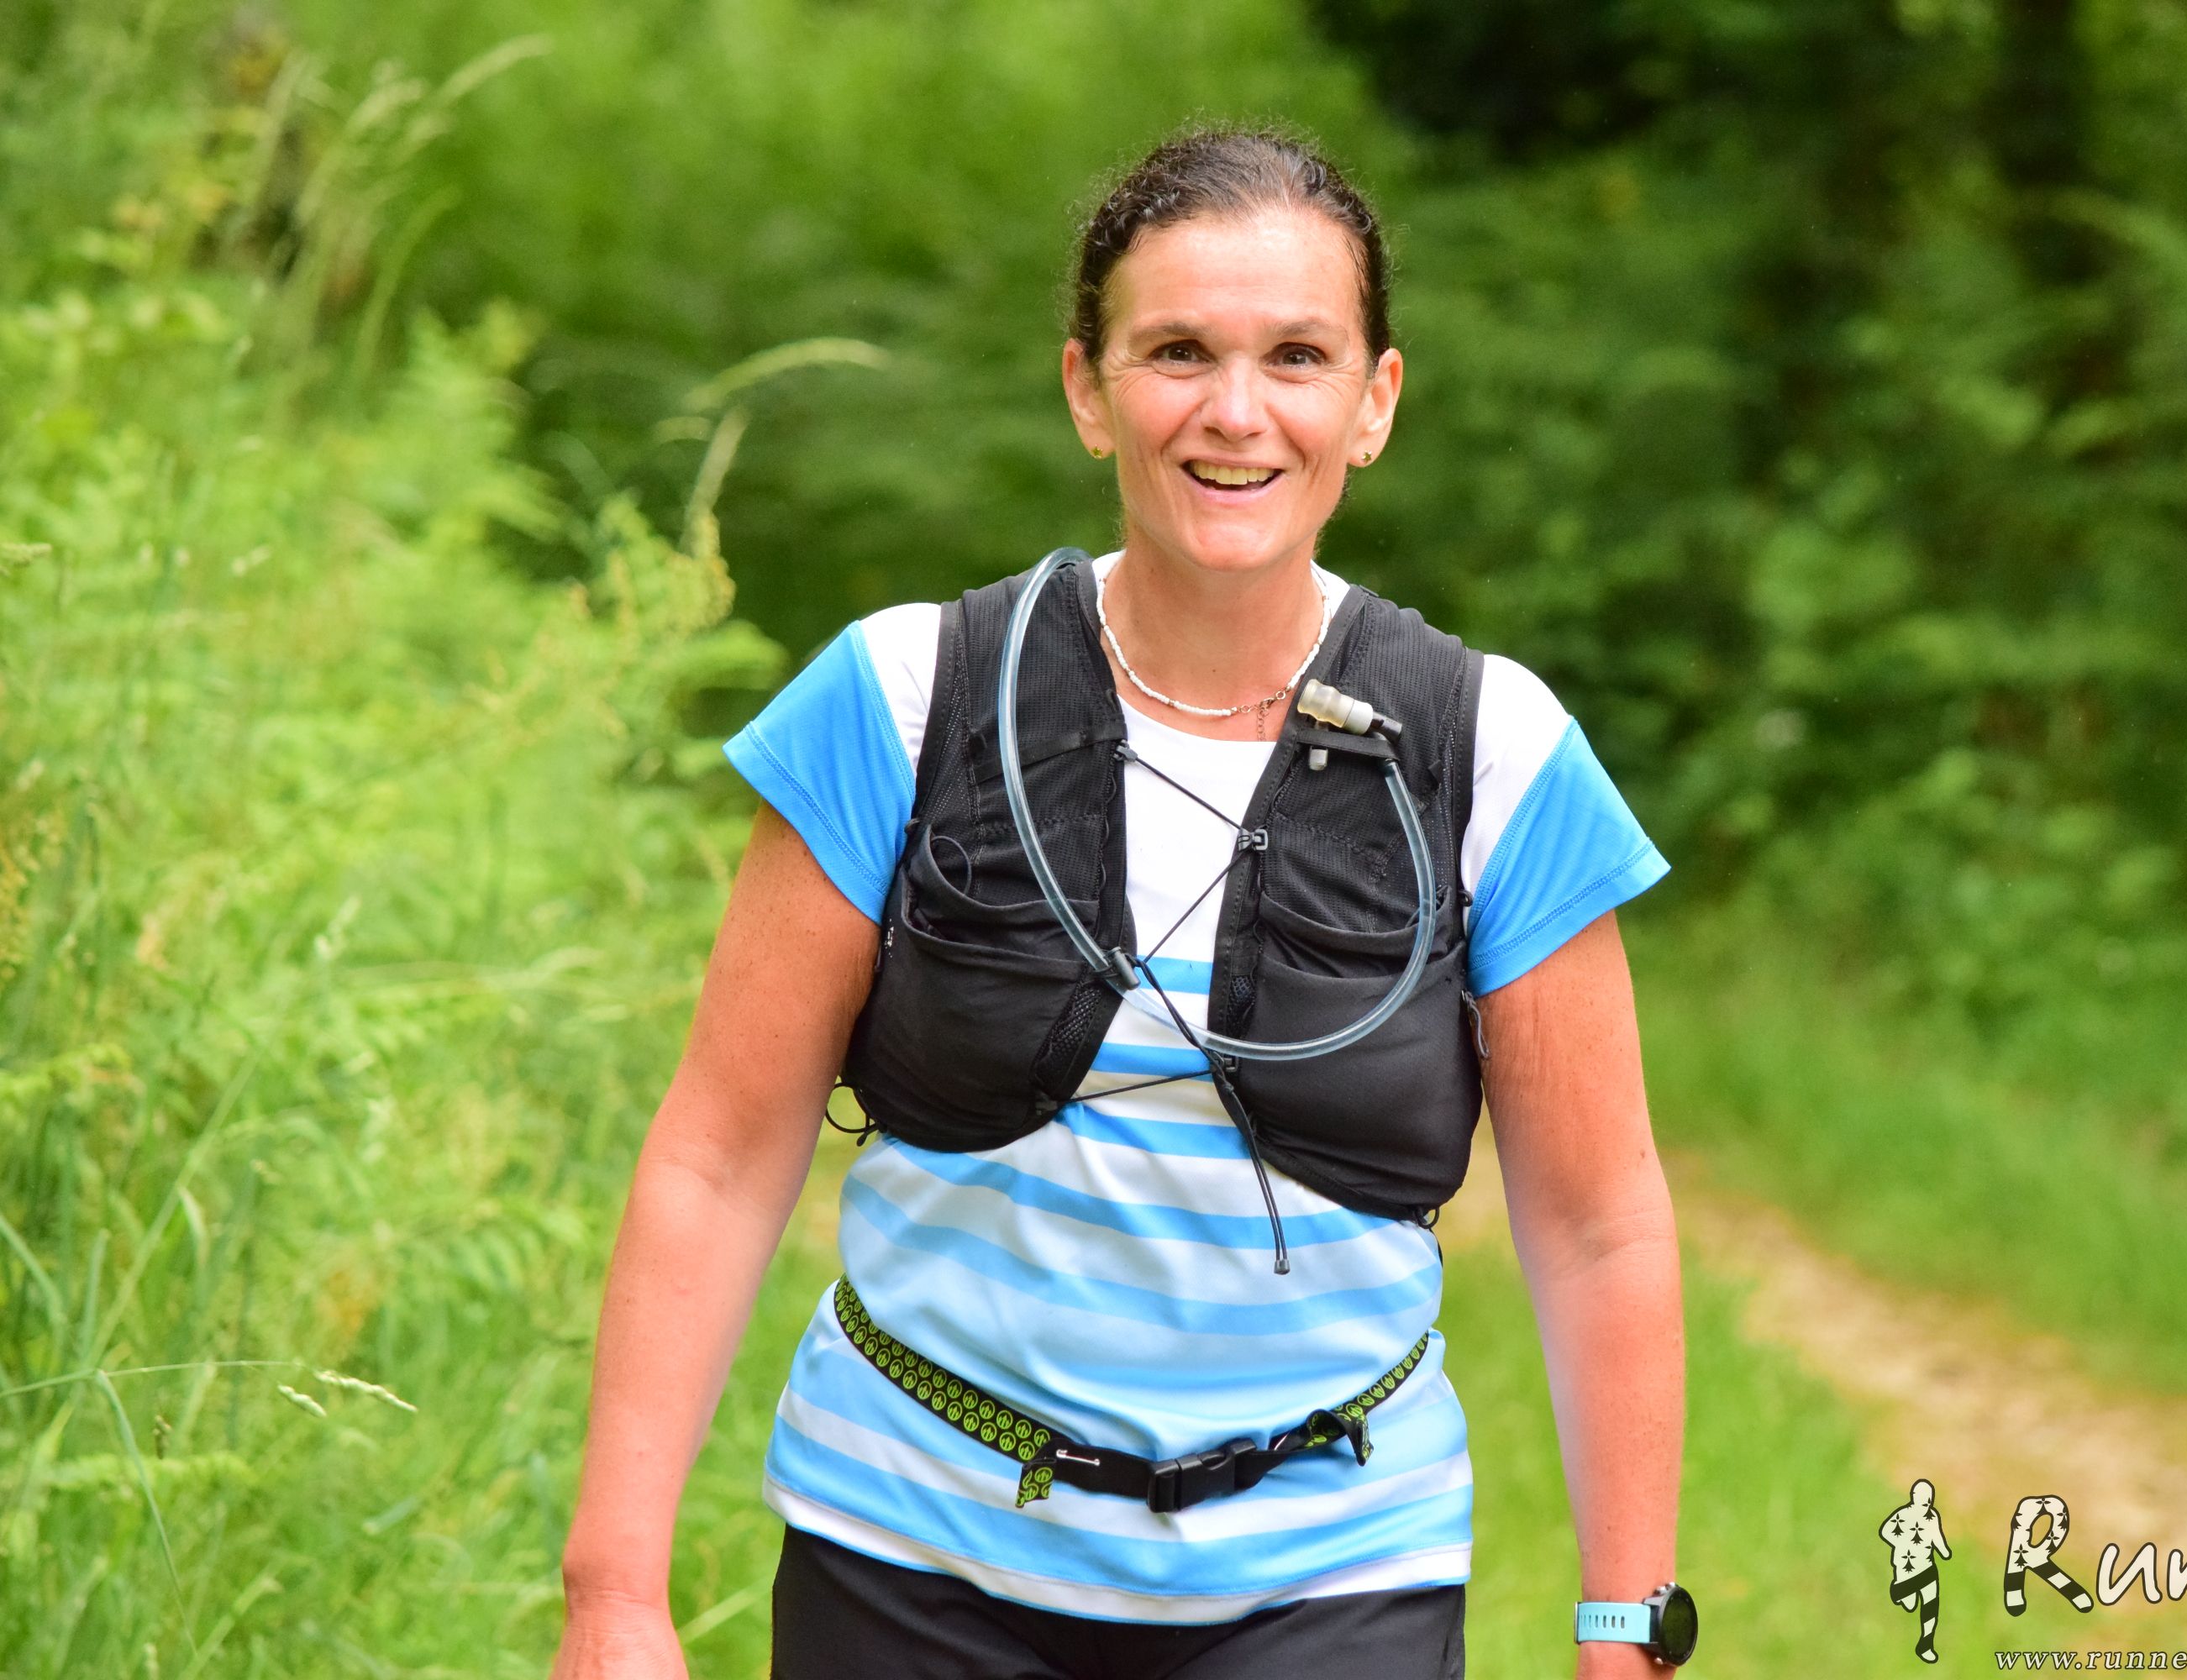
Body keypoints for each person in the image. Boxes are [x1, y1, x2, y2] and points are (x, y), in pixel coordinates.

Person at [550, 127, 1686, 1680]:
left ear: (1375, 403)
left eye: (1298, 356)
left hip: (1334, 1586)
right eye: (1178, 352)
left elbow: (1600, 1223)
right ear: (1089, 390)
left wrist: (1626, 1630)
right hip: (910, 1561)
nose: (1237, 411)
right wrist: (614, 1591)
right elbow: (719, 1150)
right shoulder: (899, 697)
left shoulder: (1498, 751)